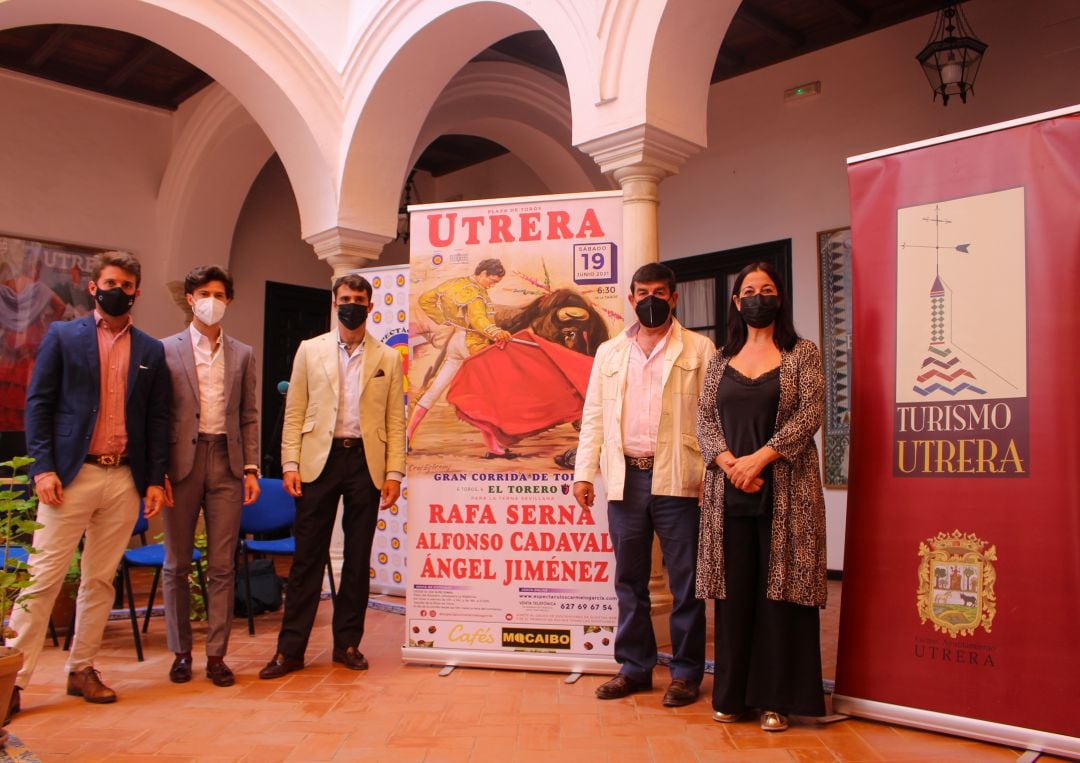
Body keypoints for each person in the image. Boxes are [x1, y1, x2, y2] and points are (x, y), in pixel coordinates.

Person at [11, 251, 170, 717]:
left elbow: (157, 419)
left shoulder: (150, 349)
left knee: (100, 580)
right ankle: (13, 679)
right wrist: (42, 469)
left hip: (123, 477)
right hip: (68, 476)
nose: (117, 290)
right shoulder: (63, 336)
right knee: (43, 579)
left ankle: (82, 668)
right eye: (110, 282)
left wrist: (155, 479)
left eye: (126, 283)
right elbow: (38, 405)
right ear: (94, 287)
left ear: (137, 290)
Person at [572, 262, 715, 707]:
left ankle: (686, 673)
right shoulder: (610, 353)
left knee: (686, 582)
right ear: (630, 299)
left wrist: (711, 476)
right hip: (625, 478)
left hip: (680, 477)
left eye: (659, 292)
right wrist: (583, 472)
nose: (650, 299)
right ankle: (634, 668)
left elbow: (713, 419)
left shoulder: (700, 348)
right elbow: (593, 415)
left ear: (674, 298)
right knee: (629, 578)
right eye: (642, 292)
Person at [695, 261, 827, 732]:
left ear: (779, 297)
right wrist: (732, 464)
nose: (757, 297)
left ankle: (777, 699)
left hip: (787, 493)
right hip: (729, 494)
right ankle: (731, 696)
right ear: (736, 302)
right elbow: (705, 419)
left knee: (781, 596)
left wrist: (760, 460)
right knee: (735, 598)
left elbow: (809, 413)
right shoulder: (719, 359)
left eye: (766, 289)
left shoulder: (801, 353)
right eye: (748, 290)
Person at [259, 274, 406, 679]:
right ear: (334, 302)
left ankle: (347, 644)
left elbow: (396, 419)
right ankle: (290, 651)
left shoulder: (388, 358)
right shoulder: (310, 350)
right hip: (315, 463)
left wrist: (394, 471)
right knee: (307, 559)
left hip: (365, 462)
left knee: (358, 560)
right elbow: (294, 412)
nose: (351, 305)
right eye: (345, 298)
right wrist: (289, 464)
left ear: (370, 306)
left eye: (359, 299)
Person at [161, 265, 260, 687]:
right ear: (189, 298)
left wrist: (252, 468)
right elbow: (157, 415)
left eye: (220, 295)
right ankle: (181, 653)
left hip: (227, 461)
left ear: (229, 301)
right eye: (204, 293)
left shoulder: (244, 353)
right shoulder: (164, 350)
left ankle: (216, 655)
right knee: (177, 563)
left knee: (222, 565)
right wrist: (155, 472)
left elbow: (250, 414)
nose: (212, 302)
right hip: (180, 463)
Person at [407, 258, 513, 457]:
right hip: (472, 342)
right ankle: (493, 447)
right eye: (492, 280)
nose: (493, 284)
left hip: (457, 340)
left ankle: (407, 435)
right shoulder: (475, 294)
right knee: (487, 394)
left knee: (435, 388)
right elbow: (478, 320)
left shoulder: (455, 283)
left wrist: (446, 319)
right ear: (482, 273)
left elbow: (425, 299)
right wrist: (496, 332)